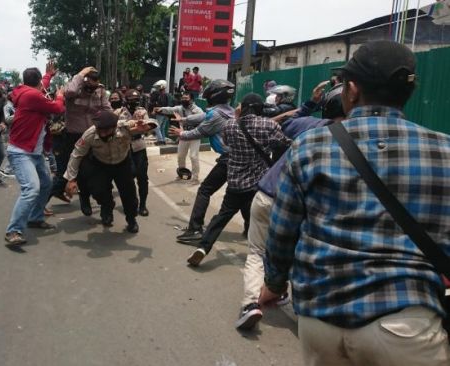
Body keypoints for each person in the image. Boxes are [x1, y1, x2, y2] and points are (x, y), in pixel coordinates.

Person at [260, 41, 450, 365]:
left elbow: (283, 229)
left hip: (320, 319)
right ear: (409, 90)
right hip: (406, 323)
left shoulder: (310, 145)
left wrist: (274, 284)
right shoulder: (444, 151)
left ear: (351, 89)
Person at [235, 81, 345, 331]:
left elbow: (282, 122)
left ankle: (250, 304)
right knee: (298, 251)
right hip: (299, 204)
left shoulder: (310, 124)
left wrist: (309, 104)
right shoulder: (360, 141)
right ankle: (291, 298)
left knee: (257, 252)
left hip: (266, 193)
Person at [186, 93, 291, 267]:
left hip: (235, 182)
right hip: (258, 184)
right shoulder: (269, 125)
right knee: (263, 219)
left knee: (222, 216)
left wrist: (236, 117)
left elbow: (226, 143)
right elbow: (285, 143)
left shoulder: (230, 126)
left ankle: (203, 247)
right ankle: (269, 256)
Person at [64, 111, 157, 233]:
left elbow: (153, 123)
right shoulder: (90, 134)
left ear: (114, 127)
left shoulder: (125, 126)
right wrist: (71, 179)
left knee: (129, 195)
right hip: (101, 164)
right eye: (100, 130)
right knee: (98, 190)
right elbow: (76, 154)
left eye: (106, 130)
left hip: (123, 163)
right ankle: (107, 207)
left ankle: (131, 220)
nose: (102, 133)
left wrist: (147, 126)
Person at [5, 67, 65, 245]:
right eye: (42, 82)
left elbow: (41, 88)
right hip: (21, 152)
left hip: (34, 152)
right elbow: (57, 108)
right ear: (37, 82)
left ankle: (35, 218)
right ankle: (13, 231)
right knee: (31, 189)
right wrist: (60, 94)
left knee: (46, 184)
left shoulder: (26, 92)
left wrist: (49, 76)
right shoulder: (32, 96)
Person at [170, 80, 235, 243]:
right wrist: (184, 121)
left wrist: (181, 133)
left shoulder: (216, 115)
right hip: (239, 158)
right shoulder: (229, 111)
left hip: (229, 159)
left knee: (204, 190)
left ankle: (195, 229)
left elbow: (201, 130)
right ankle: (249, 228)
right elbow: (201, 116)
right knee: (242, 194)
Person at [49, 66, 111, 211]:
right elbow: (69, 92)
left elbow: (107, 109)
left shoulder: (100, 91)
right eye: (89, 80)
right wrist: (81, 73)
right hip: (72, 136)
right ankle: (38, 207)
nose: (92, 85)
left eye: (95, 81)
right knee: (64, 172)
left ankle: (87, 200)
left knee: (90, 171)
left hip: (91, 136)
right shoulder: (74, 88)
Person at [114, 89, 156, 216]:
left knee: (142, 178)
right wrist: (134, 127)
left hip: (139, 147)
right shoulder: (118, 112)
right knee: (128, 177)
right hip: (124, 147)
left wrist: (130, 128)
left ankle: (142, 205)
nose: (134, 103)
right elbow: (115, 127)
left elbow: (146, 128)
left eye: (136, 100)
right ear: (126, 101)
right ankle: (132, 202)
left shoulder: (142, 111)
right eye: (131, 100)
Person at [155, 92, 205, 182]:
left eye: (186, 98)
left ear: (192, 100)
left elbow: (201, 118)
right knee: (180, 156)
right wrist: (161, 109)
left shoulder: (197, 110)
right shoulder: (180, 108)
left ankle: (195, 177)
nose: (184, 100)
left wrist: (185, 119)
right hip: (183, 135)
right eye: (183, 98)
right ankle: (182, 174)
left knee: (194, 156)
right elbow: (170, 109)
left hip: (194, 135)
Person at [149, 80, 170, 145]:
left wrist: (153, 110)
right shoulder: (167, 95)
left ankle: (160, 140)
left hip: (160, 113)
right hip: (166, 113)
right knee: (162, 127)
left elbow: (157, 104)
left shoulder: (158, 94)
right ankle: (163, 140)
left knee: (156, 126)